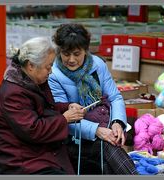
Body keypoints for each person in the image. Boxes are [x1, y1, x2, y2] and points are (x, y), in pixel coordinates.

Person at [48, 24, 138, 175]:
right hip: (73, 137)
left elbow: (115, 97)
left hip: (103, 123)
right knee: (108, 145)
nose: (71, 59)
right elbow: (63, 118)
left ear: (85, 50)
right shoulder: (53, 74)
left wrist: (117, 122)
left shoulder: (97, 64)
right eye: (66, 53)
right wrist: (96, 130)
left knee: (110, 148)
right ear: (59, 51)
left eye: (77, 54)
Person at [0, 36, 85, 175]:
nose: (51, 71)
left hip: (38, 151)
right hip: (22, 161)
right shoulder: (13, 93)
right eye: (48, 67)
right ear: (30, 65)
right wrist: (64, 119)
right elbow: (33, 129)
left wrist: (68, 107)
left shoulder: (32, 80)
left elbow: (45, 109)